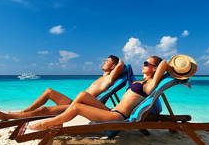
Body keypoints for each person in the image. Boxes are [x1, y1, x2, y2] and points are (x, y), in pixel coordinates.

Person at [26, 55, 167, 131]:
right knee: (82, 95)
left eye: (146, 63)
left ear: (155, 68)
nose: (143, 65)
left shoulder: (150, 85)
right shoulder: (140, 82)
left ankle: (49, 123)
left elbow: (164, 63)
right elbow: (124, 67)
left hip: (118, 116)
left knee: (77, 107)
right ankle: (60, 119)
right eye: (144, 63)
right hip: (111, 110)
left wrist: (175, 66)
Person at [0, 55, 125, 120]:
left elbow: (121, 64)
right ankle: (24, 111)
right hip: (75, 101)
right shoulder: (102, 77)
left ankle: (10, 116)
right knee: (49, 91)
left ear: (113, 66)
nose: (104, 62)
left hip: (80, 104)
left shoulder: (109, 78)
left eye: (107, 61)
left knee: (45, 109)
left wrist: (119, 63)